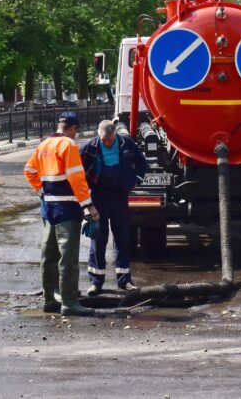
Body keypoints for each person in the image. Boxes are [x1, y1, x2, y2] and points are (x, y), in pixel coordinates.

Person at [24, 112, 100, 317]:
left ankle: (49, 300)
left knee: (49, 255)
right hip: (67, 208)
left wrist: (43, 192)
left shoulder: (44, 144)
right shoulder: (68, 145)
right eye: (76, 131)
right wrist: (89, 205)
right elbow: (77, 178)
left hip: (49, 207)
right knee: (68, 258)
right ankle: (69, 303)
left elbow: (29, 170)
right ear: (73, 128)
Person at [81, 120, 148, 295]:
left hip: (119, 196)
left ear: (115, 136)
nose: (107, 143)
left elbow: (142, 163)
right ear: (98, 135)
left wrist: (136, 181)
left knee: (122, 239)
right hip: (99, 197)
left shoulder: (127, 143)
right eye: (104, 140)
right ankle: (96, 282)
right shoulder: (89, 147)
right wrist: (85, 201)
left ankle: (124, 281)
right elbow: (78, 172)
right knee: (98, 239)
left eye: (110, 140)